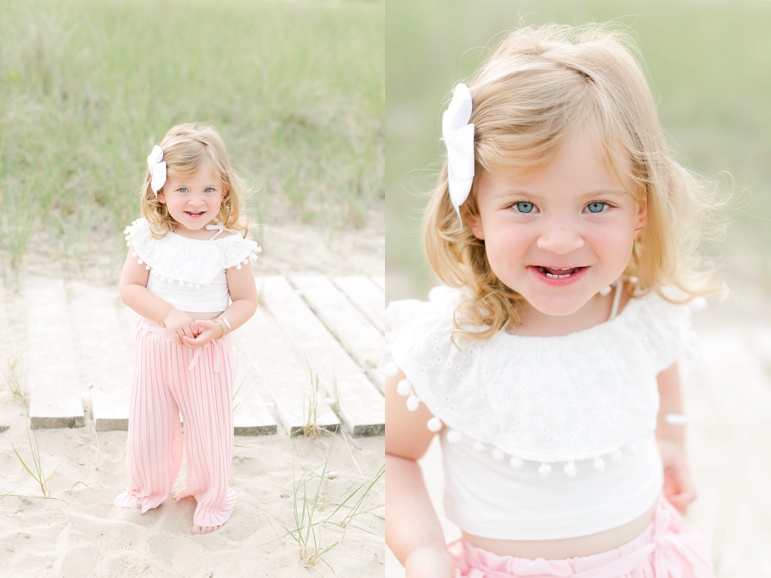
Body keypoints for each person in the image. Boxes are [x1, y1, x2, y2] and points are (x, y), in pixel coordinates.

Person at [386, 24, 722, 577]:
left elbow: (663, 368)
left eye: (596, 206)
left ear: (640, 209)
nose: (561, 240)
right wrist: (422, 552)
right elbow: (396, 455)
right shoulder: (450, 344)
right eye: (524, 206)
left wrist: (672, 438)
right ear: (473, 212)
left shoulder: (639, 312)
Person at [114, 123, 259, 535]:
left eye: (208, 190)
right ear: (160, 191)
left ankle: (210, 493)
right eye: (182, 190)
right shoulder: (150, 237)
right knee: (150, 424)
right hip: (157, 347)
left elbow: (246, 301)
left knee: (208, 428)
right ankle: (147, 488)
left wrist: (219, 327)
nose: (196, 201)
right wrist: (170, 315)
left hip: (206, 352)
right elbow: (129, 288)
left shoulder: (229, 245)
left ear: (225, 192)